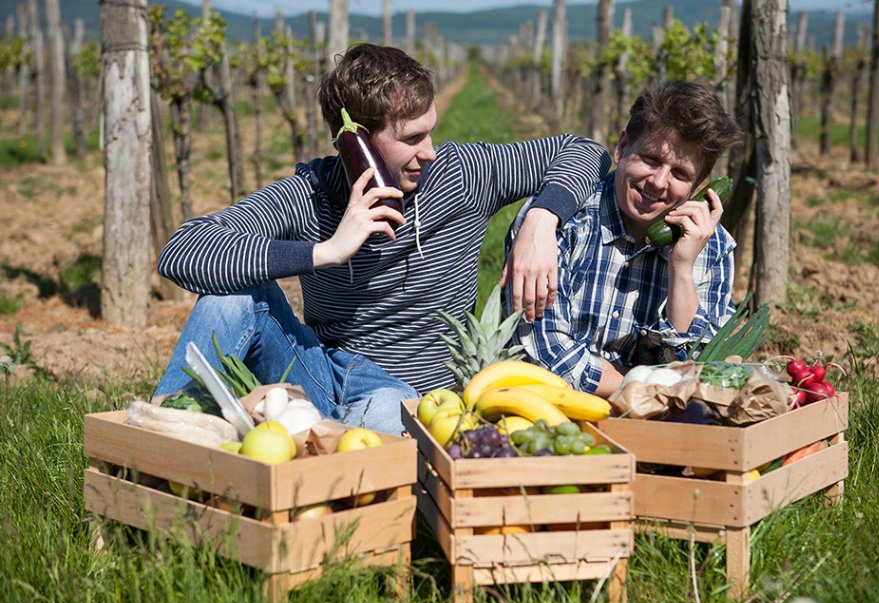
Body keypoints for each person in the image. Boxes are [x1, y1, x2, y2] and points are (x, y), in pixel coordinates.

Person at [153, 43, 611, 434]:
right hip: (316, 371)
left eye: (431, 131)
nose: (429, 152)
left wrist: (542, 220)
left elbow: (586, 150)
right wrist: (326, 251)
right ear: (358, 142)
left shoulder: (462, 175)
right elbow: (183, 250)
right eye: (412, 138)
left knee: (382, 423)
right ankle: (152, 446)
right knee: (229, 298)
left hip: (406, 396)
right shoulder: (310, 194)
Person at [505, 80, 745, 398]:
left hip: (658, 419)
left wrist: (682, 269)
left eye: (680, 174)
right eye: (650, 159)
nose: (659, 182)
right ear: (621, 148)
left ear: (699, 186)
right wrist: (644, 389)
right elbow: (547, 352)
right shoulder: (556, 222)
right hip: (549, 408)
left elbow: (701, 366)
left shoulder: (712, 246)